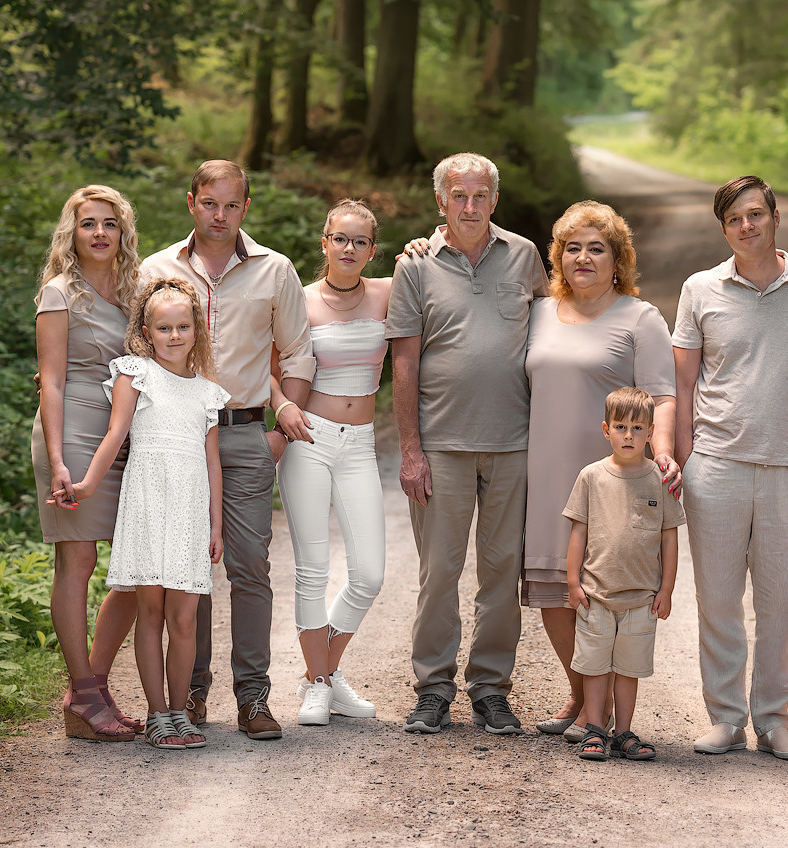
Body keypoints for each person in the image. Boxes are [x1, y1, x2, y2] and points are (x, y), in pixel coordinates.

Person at [141, 159, 315, 740]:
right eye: (209, 203)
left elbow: (297, 353)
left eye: (232, 205)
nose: (220, 215)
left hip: (243, 433)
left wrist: (277, 430)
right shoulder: (157, 268)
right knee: (188, 568)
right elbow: (137, 353)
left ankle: (253, 696)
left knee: (248, 565)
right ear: (191, 201)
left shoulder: (275, 270)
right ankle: (191, 692)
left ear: (246, 206)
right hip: (174, 438)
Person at [386, 151, 548, 736]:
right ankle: (432, 689)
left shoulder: (525, 256)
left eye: (481, 196)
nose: (471, 207)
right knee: (439, 574)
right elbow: (403, 362)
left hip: (514, 445)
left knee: (502, 574)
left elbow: (559, 328)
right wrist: (410, 449)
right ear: (441, 202)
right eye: (460, 196)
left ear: (494, 201)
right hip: (442, 445)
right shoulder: (417, 266)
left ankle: (490, 688)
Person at [671, 175, 788, 760]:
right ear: (724, 228)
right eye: (735, 219)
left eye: (756, 214)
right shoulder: (699, 289)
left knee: (779, 600)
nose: (747, 226)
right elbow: (682, 382)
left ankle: (774, 719)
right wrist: (682, 458)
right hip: (716, 463)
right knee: (717, 598)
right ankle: (725, 717)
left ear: (775, 217)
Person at [521, 200, 679, 741]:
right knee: (556, 591)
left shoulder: (640, 317)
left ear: (618, 259)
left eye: (597, 248)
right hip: (546, 473)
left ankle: (601, 709)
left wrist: (662, 452)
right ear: (557, 256)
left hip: (615, 477)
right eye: (572, 247)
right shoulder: (539, 312)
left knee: (608, 592)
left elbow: (663, 394)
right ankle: (583, 699)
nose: (583, 257)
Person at [56, 277, 229, 749]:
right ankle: (156, 715)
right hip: (149, 504)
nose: (175, 336)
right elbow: (115, 435)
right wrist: (88, 484)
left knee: (186, 619)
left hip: (190, 511)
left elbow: (212, 463)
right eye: (164, 328)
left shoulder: (208, 393)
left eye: (183, 327)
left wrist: (216, 525)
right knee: (149, 612)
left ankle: (181, 712)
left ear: (197, 331)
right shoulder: (136, 373)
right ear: (147, 332)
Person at [31, 185, 143, 741]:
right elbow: (49, 380)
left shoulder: (134, 291)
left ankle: (92, 688)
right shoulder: (60, 294)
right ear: (71, 234)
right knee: (77, 566)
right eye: (88, 224)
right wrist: (56, 459)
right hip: (73, 429)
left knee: (135, 568)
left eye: (109, 224)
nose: (99, 233)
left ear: (123, 233)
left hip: (127, 435)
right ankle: (83, 694)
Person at [277, 199, 389, 725]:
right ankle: (319, 685)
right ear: (324, 243)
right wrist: (282, 407)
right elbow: (266, 367)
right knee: (313, 569)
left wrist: (424, 244)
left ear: (372, 249)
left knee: (369, 573)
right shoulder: (298, 301)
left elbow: (441, 263)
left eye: (360, 241)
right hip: (310, 439)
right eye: (340, 238)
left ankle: (322, 671)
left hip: (360, 442)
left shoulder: (389, 293)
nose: (349, 248)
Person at [565, 387, 683, 763]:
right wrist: (572, 583)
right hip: (596, 594)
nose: (628, 435)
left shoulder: (660, 480)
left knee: (628, 668)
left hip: (640, 599)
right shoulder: (591, 477)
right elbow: (578, 532)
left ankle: (623, 733)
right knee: (596, 666)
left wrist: (666, 589)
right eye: (620, 426)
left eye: (637, 427)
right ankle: (594, 729)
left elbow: (669, 537)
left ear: (651, 432)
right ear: (606, 430)